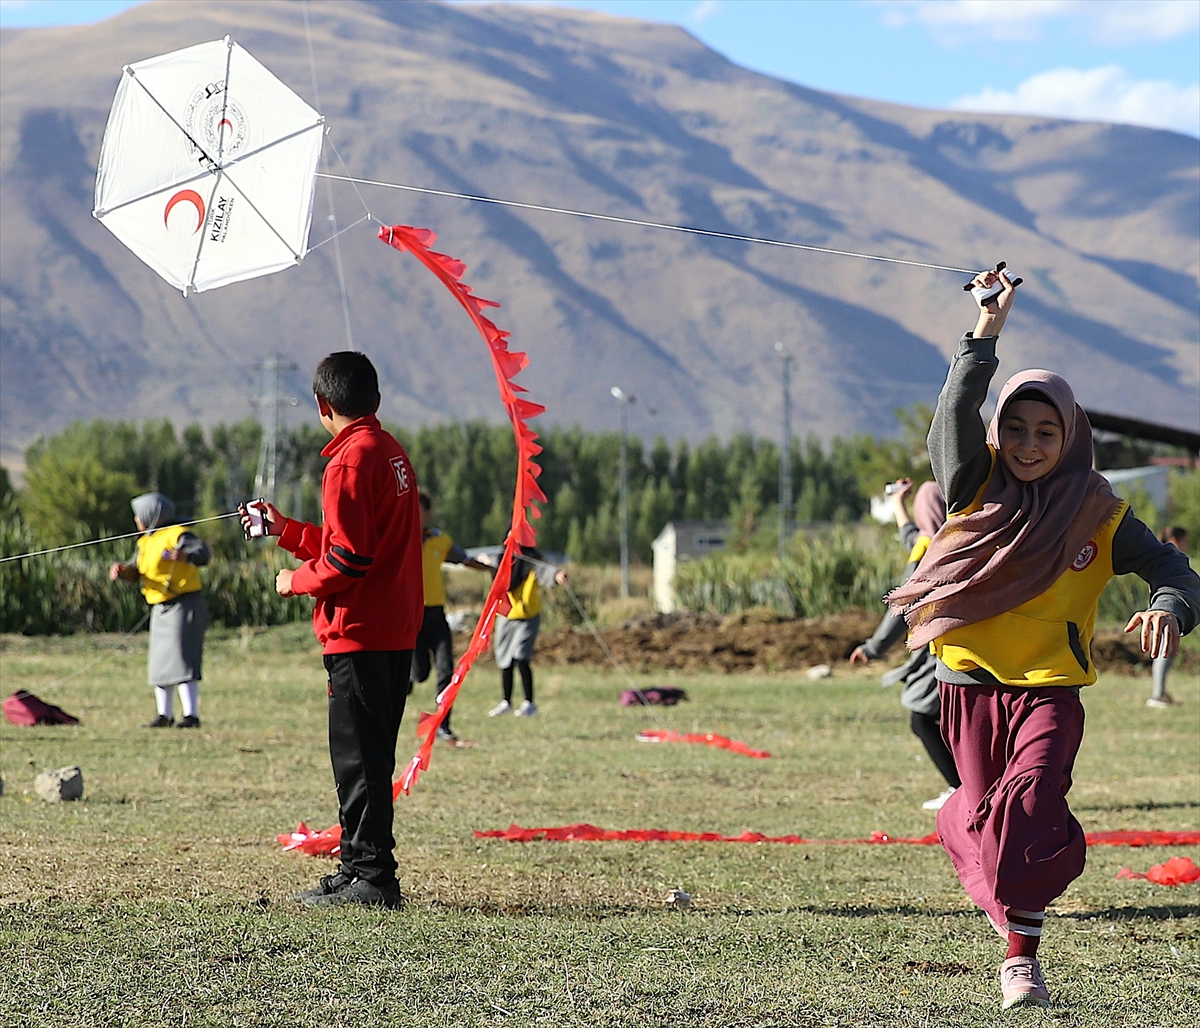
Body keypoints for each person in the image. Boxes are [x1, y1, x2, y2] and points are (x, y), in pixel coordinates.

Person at [887, 269, 1199, 1011]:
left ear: (1071, 437)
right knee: (982, 815)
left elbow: (1176, 570)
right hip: (966, 690)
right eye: (1017, 429)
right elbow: (954, 413)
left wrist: (1168, 606)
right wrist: (986, 331)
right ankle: (1002, 846)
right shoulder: (972, 486)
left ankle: (1020, 957)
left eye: (1046, 431)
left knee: (1028, 801)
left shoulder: (1099, 513)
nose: (1029, 444)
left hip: (1050, 693)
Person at [240, 351, 423, 910]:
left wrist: (294, 582)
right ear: (375, 399)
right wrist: (287, 530)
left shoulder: (347, 462)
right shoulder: (388, 452)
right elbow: (353, 541)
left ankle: (372, 878)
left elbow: (348, 561)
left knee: (359, 760)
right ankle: (355, 866)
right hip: (393, 630)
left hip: (361, 634)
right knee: (367, 756)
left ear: (323, 406)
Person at [850, 478, 960, 810]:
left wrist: (873, 648)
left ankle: (962, 789)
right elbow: (910, 534)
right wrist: (898, 501)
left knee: (922, 718)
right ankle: (973, 787)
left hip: (942, 650)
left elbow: (903, 606)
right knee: (952, 720)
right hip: (970, 646)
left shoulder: (929, 552)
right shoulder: (958, 540)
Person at [109, 493, 210, 729]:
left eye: (139, 516)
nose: (136, 520)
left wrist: (185, 555)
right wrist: (123, 571)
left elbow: (203, 554)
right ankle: (164, 715)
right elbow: (136, 571)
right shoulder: (145, 541)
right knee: (161, 663)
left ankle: (191, 715)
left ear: (151, 516)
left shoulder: (177, 534)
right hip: (161, 608)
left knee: (183, 660)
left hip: (184, 603)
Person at [412, 491, 491, 744]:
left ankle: (443, 725)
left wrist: (491, 567)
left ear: (428, 514)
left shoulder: (439, 540)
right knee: (420, 673)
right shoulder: (396, 537)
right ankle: (406, 679)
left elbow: (464, 559)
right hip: (410, 617)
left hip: (436, 614)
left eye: (418, 510)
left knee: (447, 670)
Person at [488, 544, 566, 718]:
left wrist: (557, 575)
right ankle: (506, 702)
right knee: (505, 659)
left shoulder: (532, 561)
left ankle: (528, 703)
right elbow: (490, 566)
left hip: (528, 617)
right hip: (506, 615)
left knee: (521, 656)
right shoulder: (503, 559)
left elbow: (546, 571)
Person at [1147, 526, 1191, 708]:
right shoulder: (1168, 559)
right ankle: (1157, 695)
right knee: (1164, 652)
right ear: (1175, 540)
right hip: (1164, 612)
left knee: (1166, 652)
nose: (1187, 545)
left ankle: (1161, 693)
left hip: (1167, 611)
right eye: (1186, 541)